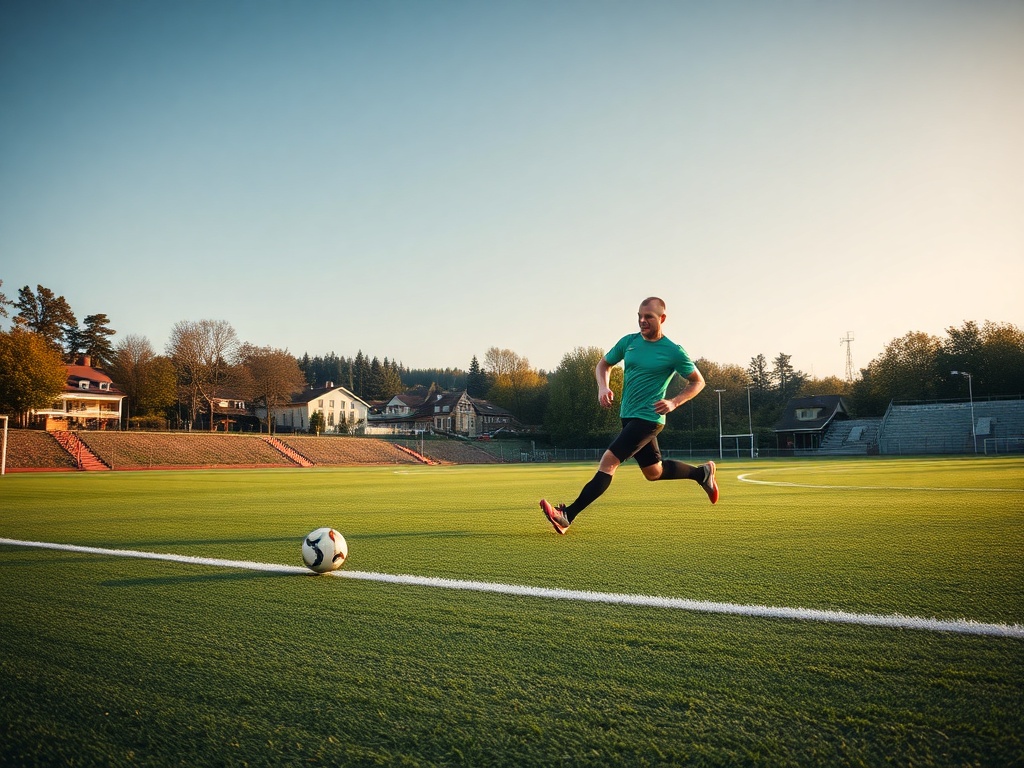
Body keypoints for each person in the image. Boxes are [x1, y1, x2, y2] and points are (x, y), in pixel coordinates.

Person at [540, 297, 719, 535]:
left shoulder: (673, 351)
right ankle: (701, 473)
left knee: (609, 462)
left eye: (649, 317)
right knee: (653, 472)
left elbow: (698, 381)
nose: (642, 321)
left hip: (649, 418)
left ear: (662, 319)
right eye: (639, 317)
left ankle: (567, 515)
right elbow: (603, 365)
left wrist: (674, 402)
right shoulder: (629, 342)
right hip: (628, 417)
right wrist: (603, 387)